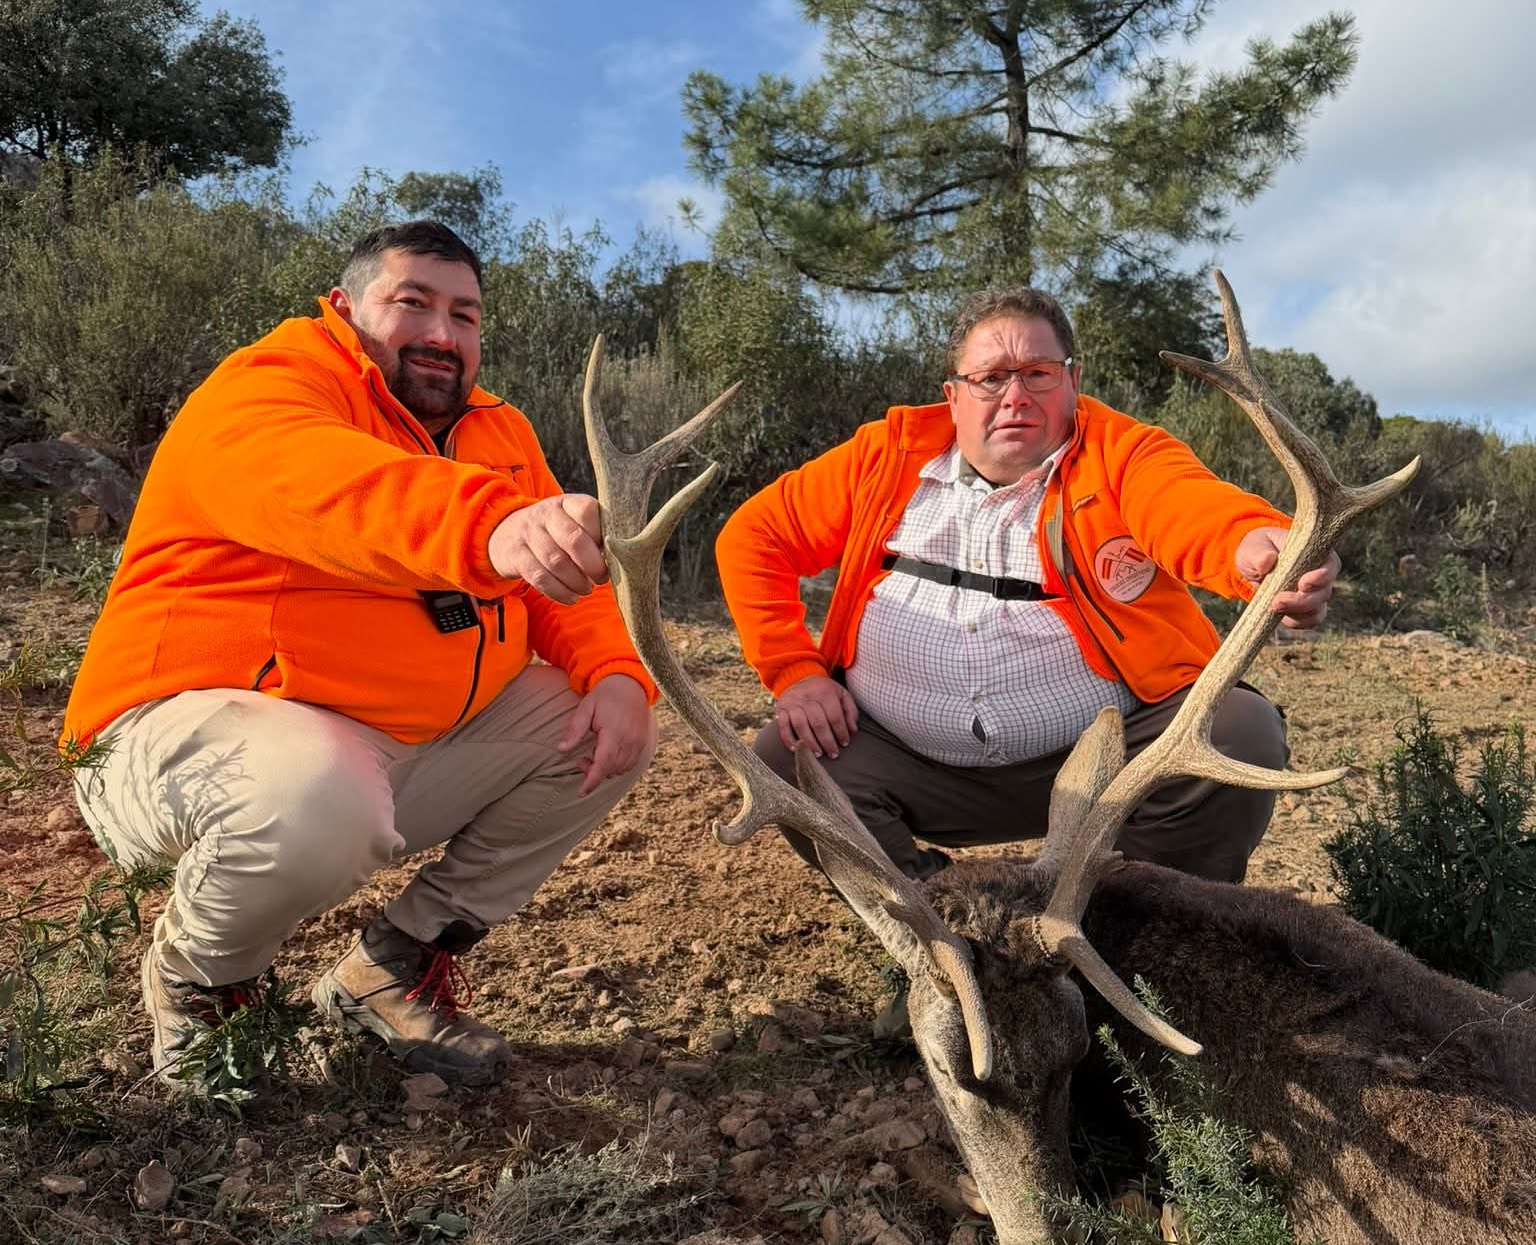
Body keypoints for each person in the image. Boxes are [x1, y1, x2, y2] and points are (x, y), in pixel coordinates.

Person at [65, 219, 657, 1091]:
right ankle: (203, 986)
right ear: (344, 308)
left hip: (383, 749)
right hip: (182, 741)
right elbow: (326, 485)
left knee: (606, 728)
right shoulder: (268, 385)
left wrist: (616, 672)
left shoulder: (500, 429)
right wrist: (491, 524)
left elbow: (551, 588)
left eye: (464, 315)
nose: (442, 334)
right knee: (316, 795)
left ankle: (387, 970)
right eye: (412, 303)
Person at [716, 285, 1339, 886]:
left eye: (1038, 374)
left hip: (1110, 764)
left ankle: (1136, 921)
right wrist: (796, 672)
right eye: (991, 378)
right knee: (790, 757)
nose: (1015, 396)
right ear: (953, 395)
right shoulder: (882, 459)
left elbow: (1189, 507)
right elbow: (755, 536)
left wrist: (1257, 547)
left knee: (1237, 731)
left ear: (1072, 381)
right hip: (910, 763)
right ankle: (934, 923)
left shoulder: (1123, 454)